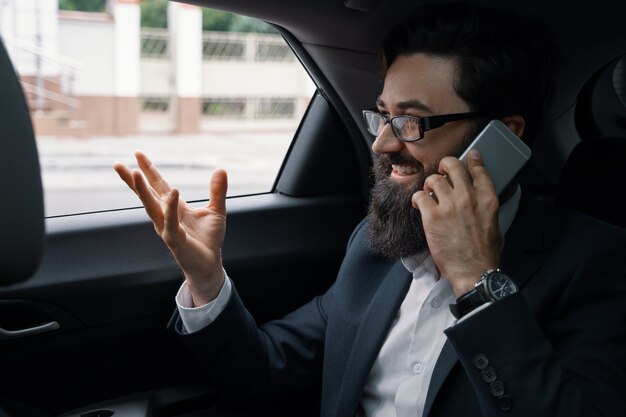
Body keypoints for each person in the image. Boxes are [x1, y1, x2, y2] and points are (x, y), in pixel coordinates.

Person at [114, 2, 626, 416]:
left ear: (502, 136)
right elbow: (263, 377)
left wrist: (477, 282)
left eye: (411, 122)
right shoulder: (374, 247)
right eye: (382, 116)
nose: (381, 144)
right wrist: (207, 280)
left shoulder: (594, 264)